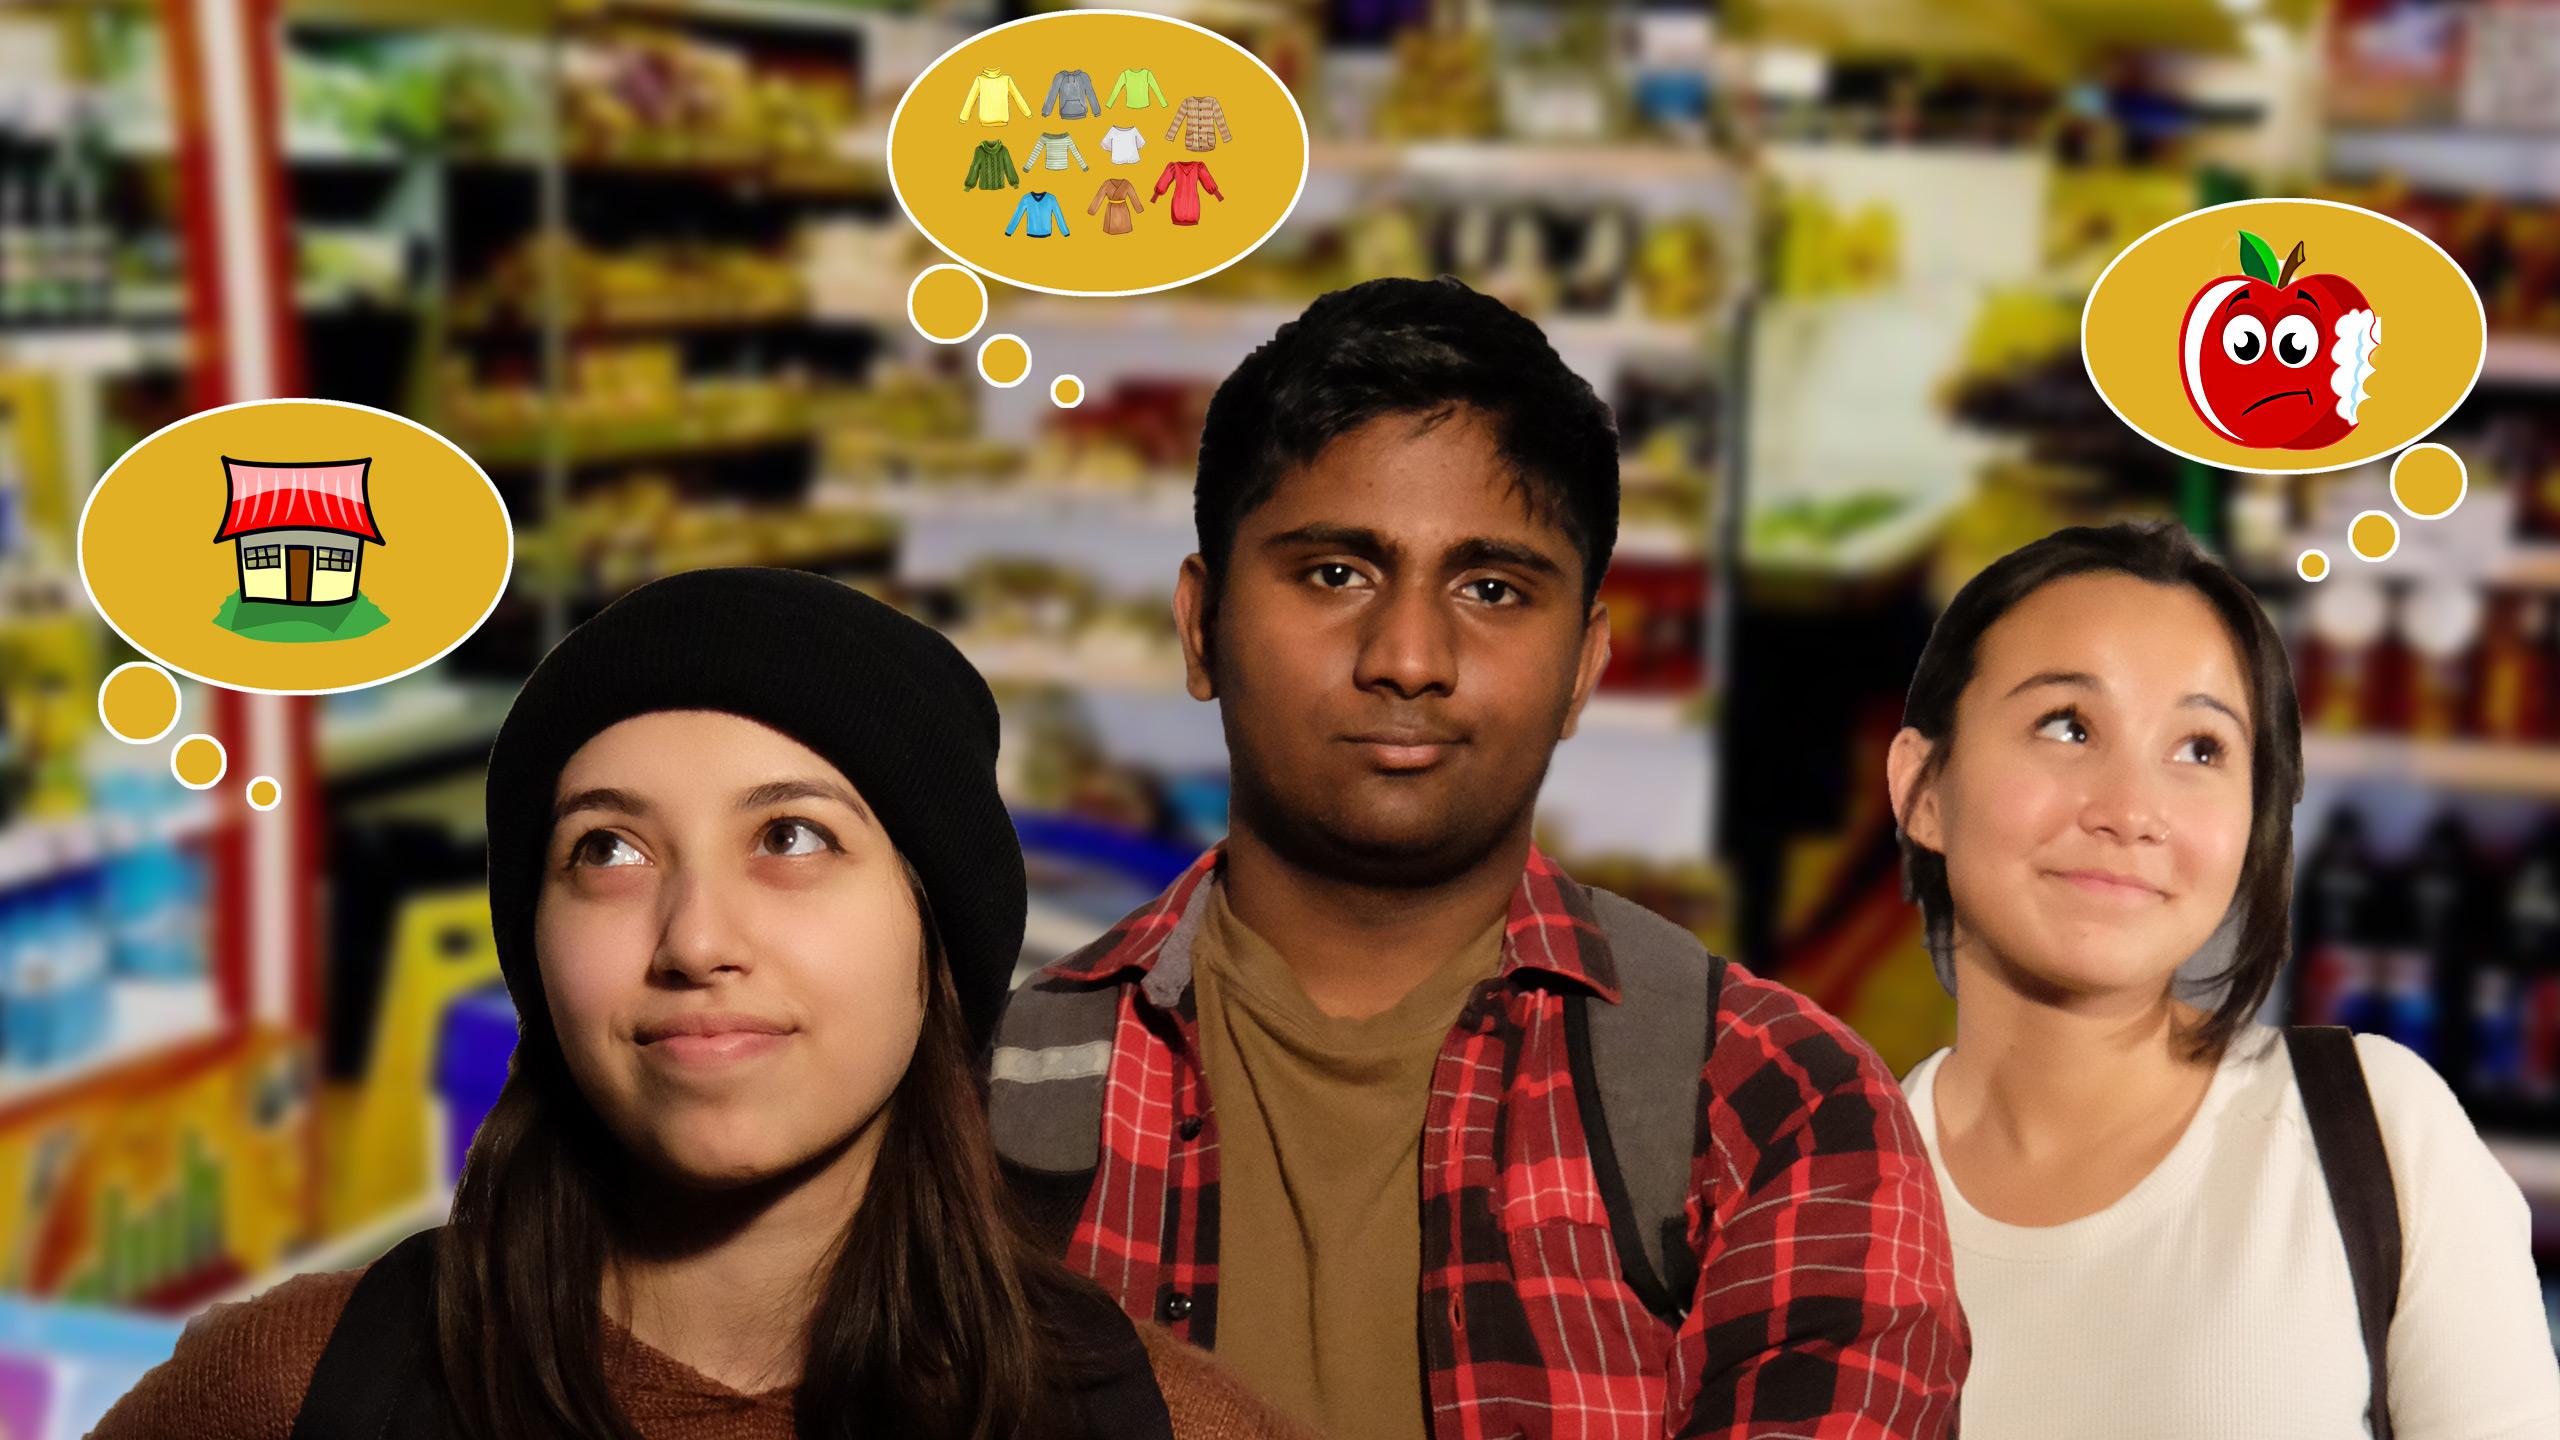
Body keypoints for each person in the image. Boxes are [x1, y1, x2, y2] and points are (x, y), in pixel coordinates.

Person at [983, 276, 1968, 1439]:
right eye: (1334, 573)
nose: (1408, 656)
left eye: (1491, 588)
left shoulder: (1775, 1106)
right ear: (1201, 627)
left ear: (1584, 667)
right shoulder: (981, 1101)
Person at [93, 568, 1313, 1440]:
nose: (694, 940)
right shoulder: (287, 1392)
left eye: (791, 837)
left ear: (933, 931)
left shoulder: (1162, 1423)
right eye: (608, 851)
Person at [1884, 522, 2560, 1439]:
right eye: (2067, 725)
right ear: (1923, 787)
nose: (2131, 811)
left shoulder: (2376, 1136)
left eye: (2201, 749)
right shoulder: (1833, 1196)